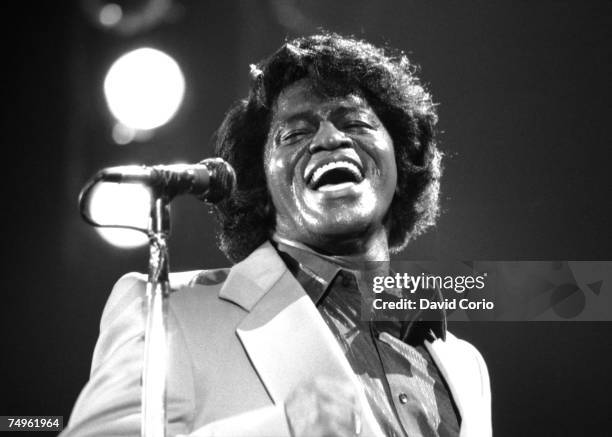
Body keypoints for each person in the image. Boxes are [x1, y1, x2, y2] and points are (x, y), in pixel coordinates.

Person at [63, 33, 491, 437]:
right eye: (296, 133)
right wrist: (286, 426)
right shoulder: (166, 311)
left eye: (356, 123)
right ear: (260, 187)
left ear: (399, 163)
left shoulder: (462, 362)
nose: (329, 138)